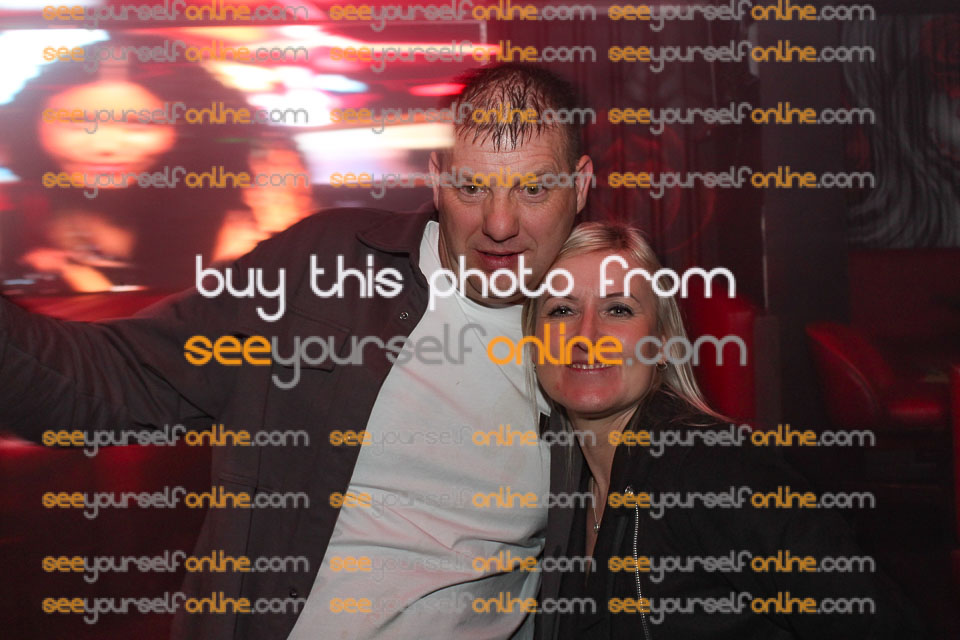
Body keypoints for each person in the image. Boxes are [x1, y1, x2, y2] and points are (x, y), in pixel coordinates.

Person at [0, 62, 593, 639]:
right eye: (472, 187)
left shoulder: (604, 344)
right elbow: (115, 380)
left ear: (581, 184)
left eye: (534, 188)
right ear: (438, 180)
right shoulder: (323, 265)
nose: (499, 223)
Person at [526, 223, 923, 639]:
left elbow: (876, 619)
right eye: (562, 310)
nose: (587, 335)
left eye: (619, 310)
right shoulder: (566, 487)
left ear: (662, 343)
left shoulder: (715, 472)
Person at [0, 34, 313, 292]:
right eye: (76, 123)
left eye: (140, 124)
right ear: (31, 125)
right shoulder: (29, 206)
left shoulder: (251, 212)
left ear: (190, 128)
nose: (104, 146)